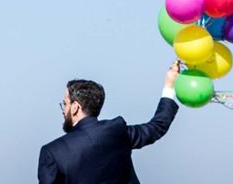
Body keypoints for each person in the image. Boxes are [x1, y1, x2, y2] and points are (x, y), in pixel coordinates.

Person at [37, 61, 181, 183]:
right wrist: (169, 85)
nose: (63, 110)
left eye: (65, 104)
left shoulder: (52, 152)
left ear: (75, 107)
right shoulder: (117, 131)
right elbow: (157, 126)